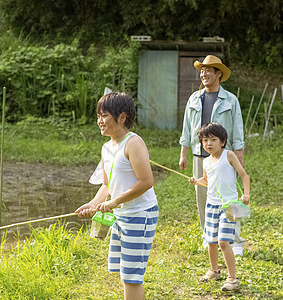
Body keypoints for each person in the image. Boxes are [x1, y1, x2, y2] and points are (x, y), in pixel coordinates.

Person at [75, 92, 158, 300]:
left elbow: (146, 182)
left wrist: (114, 202)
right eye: (98, 116)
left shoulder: (133, 143)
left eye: (104, 116)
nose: (99, 121)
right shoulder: (106, 148)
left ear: (121, 117)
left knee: (132, 276)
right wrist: (93, 204)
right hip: (121, 215)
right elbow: (107, 184)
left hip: (140, 214)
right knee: (125, 273)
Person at [178, 54, 246, 255]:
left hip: (225, 157)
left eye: (208, 70)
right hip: (200, 155)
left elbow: (238, 129)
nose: (204, 73)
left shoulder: (230, 100)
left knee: (229, 196)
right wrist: (184, 153)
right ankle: (209, 238)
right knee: (203, 197)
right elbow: (186, 128)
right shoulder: (194, 99)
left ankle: (235, 242)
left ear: (218, 74)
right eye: (202, 70)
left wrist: (239, 156)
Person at [189, 122, 250, 291]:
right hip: (211, 205)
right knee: (211, 241)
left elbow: (244, 176)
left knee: (223, 242)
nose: (209, 144)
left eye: (213, 140)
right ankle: (214, 271)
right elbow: (207, 181)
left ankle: (232, 278)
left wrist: (246, 194)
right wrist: (197, 181)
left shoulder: (229, 155)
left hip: (230, 206)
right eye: (205, 140)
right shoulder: (206, 162)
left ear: (222, 142)